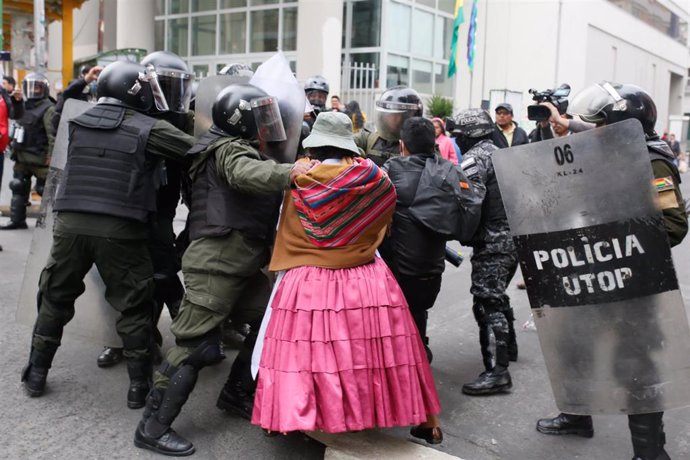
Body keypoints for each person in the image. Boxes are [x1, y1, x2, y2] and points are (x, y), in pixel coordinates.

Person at [133, 83, 312, 456]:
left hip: (240, 260)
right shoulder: (227, 148)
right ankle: (152, 427)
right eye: (259, 116)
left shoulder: (233, 146)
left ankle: (235, 393)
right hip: (217, 260)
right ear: (240, 118)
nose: (266, 125)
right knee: (193, 346)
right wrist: (293, 172)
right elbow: (246, 175)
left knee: (271, 323)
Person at [252, 111, 442, 444]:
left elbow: (285, 229)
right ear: (349, 145)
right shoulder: (377, 179)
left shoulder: (299, 181)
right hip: (365, 276)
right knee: (375, 354)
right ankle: (398, 417)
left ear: (314, 146)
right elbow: (382, 228)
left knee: (305, 355)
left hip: (309, 279)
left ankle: (298, 415)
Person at [20, 61, 195, 410]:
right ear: (136, 92)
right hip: (121, 227)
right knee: (134, 305)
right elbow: (195, 149)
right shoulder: (149, 127)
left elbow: (55, 122)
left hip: (70, 225)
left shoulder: (76, 120)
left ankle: (37, 372)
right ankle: (138, 387)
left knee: (55, 297)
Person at [535, 82, 687, 460]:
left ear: (622, 126)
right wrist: (563, 123)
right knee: (574, 343)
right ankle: (576, 415)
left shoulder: (651, 160)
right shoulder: (617, 146)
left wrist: (608, 238)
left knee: (635, 361)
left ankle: (651, 452)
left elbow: (672, 225)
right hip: (592, 269)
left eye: (599, 124)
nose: (593, 131)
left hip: (632, 276)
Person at [96, 51, 195, 369]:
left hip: (161, 208)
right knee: (122, 280)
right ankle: (127, 341)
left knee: (163, 271)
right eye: (162, 86)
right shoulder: (126, 113)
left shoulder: (187, 121)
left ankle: (191, 336)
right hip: (123, 208)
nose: (168, 95)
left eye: (174, 87)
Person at [452, 108, 519, 396]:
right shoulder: (503, 152)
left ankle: (497, 371)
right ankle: (510, 346)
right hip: (514, 237)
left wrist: (461, 234)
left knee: (486, 300)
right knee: (498, 294)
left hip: (493, 240)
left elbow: (471, 203)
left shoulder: (475, 159)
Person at [379, 117, 450, 363]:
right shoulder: (446, 169)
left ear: (402, 145)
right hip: (433, 269)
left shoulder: (392, 169)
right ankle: (420, 352)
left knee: (398, 317)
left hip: (400, 270)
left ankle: (408, 365)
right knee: (419, 311)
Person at [1, 72, 55, 230]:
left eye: (38, 87)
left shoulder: (48, 108)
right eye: (31, 87)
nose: (34, 90)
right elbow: (14, 119)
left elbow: (52, 135)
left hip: (40, 158)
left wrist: (52, 156)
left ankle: (47, 224)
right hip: (22, 156)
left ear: (44, 89)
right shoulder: (21, 104)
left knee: (44, 191)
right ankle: (17, 220)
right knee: (18, 187)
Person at [354, 85, 423, 166]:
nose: (390, 119)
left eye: (396, 115)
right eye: (387, 115)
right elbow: (346, 142)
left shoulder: (421, 144)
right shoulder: (369, 139)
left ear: (411, 116)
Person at [50, 64, 102, 132]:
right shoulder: (73, 90)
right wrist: (86, 80)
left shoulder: (91, 95)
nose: (92, 81)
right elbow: (69, 92)